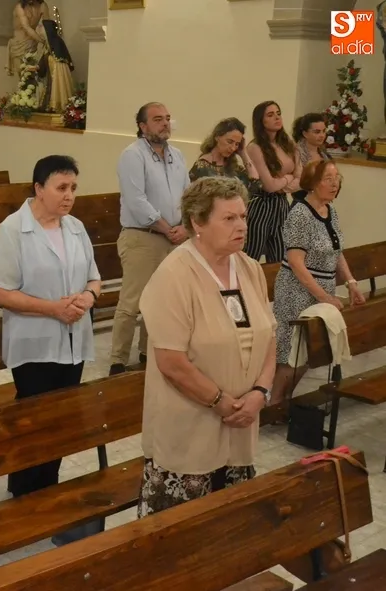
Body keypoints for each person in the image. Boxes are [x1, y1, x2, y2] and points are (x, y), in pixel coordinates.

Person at [138, 176, 276, 517]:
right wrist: (221, 402)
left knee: (229, 530)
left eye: (243, 216)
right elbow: (171, 362)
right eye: (229, 218)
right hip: (190, 428)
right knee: (179, 542)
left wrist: (260, 392)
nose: (241, 226)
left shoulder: (249, 268)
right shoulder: (173, 275)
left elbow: (269, 337)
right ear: (198, 222)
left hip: (241, 425)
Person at [0, 155, 101, 545]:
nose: (69, 196)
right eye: (61, 188)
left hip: (74, 340)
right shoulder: (13, 230)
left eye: (73, 188)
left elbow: (94, 279)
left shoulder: (76, 227)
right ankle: (25, 492)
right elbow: (0, 291)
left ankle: (46, 487)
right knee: (35, 417)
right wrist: (53, 308)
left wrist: (86, 297)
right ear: (38, 189)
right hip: (34, 340)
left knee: (62, 418)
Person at [109, 102, 190, 375]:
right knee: (132, 303)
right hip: (142, 237)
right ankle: (118, 360)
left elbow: (188, 195)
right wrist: (167, 227)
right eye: (157, 119)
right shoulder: (132, 155)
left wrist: (185, 227)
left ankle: (147, 352)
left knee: (160, 302)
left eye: (167, 118)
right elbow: (136, 201)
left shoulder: (177, 155)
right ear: (143, 126)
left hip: (175, 237)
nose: (165, 123)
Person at [272, 161, 364, 401]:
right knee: (291, 352)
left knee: (307, 351)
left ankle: (285, 400)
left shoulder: (329, 210)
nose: (335, 184)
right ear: (313, 183)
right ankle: (274, 404)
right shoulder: (300, 214)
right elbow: (296, 262)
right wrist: (325, 297)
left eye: (337, 178)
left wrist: (351, 282)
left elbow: (336, 251)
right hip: (297, 290)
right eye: (328, 179)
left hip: (322, 288)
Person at [245, 100, 301, 263]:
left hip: (281, 204)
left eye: (278, 113)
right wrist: (289, 177)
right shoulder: (255, 147)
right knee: (252, 255)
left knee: (279, 256)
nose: (277, 118)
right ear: (261, 121)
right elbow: (269, 186)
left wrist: (282, 182)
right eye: (270, 115)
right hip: (261, 204)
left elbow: (301, 179)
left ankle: (273, 289)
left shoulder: (288, 144)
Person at [190, 117, 262, 195]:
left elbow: (256, 184)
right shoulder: (202, 167)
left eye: (237, 144)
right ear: (217, 137)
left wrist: (243, 153)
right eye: (229, 142)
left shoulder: (232, 166)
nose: (233, 148)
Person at [291, 113, 332, 202]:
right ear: (305, 133)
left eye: (324, 131)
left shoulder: (324, 153)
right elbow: (298, 182)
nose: (322, 135)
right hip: (302, 202)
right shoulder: (296, 152)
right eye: (317, 132)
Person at [8, 0, 49, 76]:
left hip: (32, 43)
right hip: (19, 44)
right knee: (23, 75)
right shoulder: (20, 7)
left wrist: (50, 40)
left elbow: (48, 25)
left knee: (34, 73)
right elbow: (26, 27)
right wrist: (42, 41)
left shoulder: (42, 5)